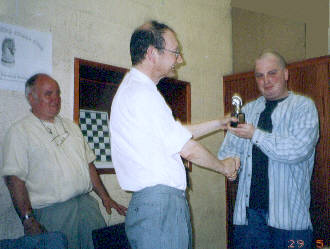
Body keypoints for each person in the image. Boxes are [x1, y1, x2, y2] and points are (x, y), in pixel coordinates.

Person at [110, 20, 240, 249]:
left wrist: (219, 123)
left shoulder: (135, 90)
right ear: (152, 53)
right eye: (175, 52)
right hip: (160, 207)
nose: (180, 60)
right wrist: (224, 167)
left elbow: (176, 134)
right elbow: (186, 147)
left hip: (155, 207)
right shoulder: (142, 94)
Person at [1, 73, 127, 249]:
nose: (56, 99)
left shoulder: (72, 127)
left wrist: (105, 197)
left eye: (58, 93)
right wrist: (27, 219)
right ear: (31, 97)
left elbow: (89, 165)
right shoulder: (20, 132)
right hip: (52, 213)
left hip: (87, 207)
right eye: (48, 94)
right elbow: (14, 180)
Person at [218, 50, 319, 249]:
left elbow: (297, 150)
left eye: (272, 73)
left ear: (286, 74)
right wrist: (231, 164)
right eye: (260, 75)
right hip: (249, 220)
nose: (266, 80)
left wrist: (255, 134)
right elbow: (228, 151)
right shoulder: (246, 111)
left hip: (290, 222)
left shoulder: (304, 107)